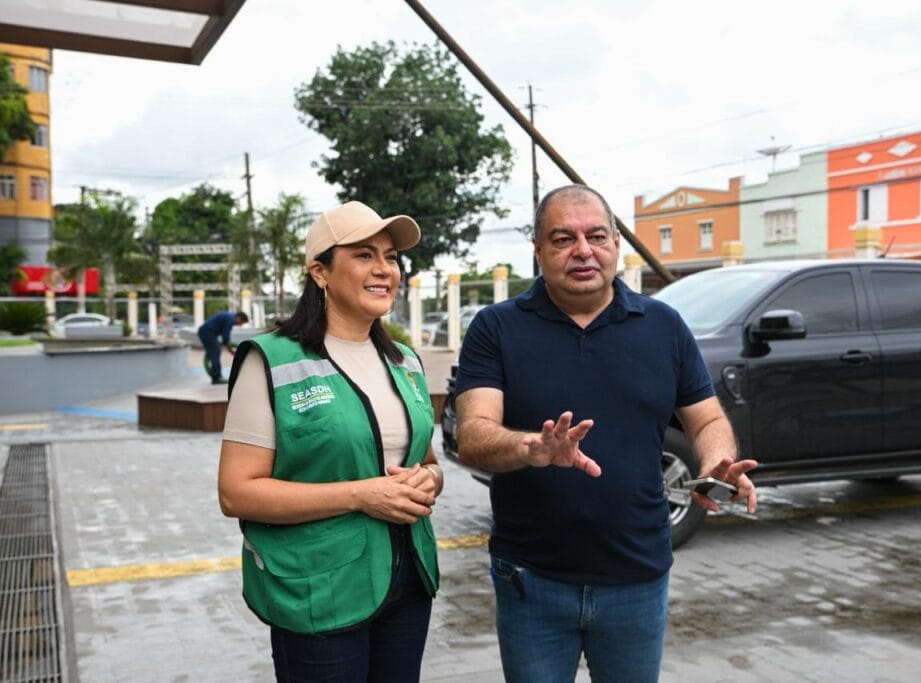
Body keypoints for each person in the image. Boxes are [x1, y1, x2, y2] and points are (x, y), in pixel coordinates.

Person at [454, 184, 758, 682]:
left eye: (596, 235)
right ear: (537, 249)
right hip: (532, 578)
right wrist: (531, 447)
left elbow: (706, 419)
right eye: (562, 238)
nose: (582, 250)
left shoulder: (664, 326)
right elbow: (474, 434)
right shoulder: (496, 327)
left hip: (637, 578)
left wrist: (715, 462)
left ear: (617, 243)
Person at [217, 201, 443, 682]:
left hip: (407, 582)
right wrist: (361, 495)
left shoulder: (406, 361)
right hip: (320, 588)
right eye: (364, 255)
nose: (384, 269)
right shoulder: (271, 360)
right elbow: (236, 492)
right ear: (319, 271)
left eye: (390, 256)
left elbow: (427, 462)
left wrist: (428, 482)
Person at [197, 309, 248, 384]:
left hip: (207, 332)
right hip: (207, 333)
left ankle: (217, 376)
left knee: (215, 352)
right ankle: (216, 378)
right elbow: (225, 337)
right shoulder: (230, 319)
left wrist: (229, 349)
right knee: (215, 352)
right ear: (239, 318)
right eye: (241, 323)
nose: (240, 325)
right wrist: (230, 350)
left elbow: (225, 339)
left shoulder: (229, 316)